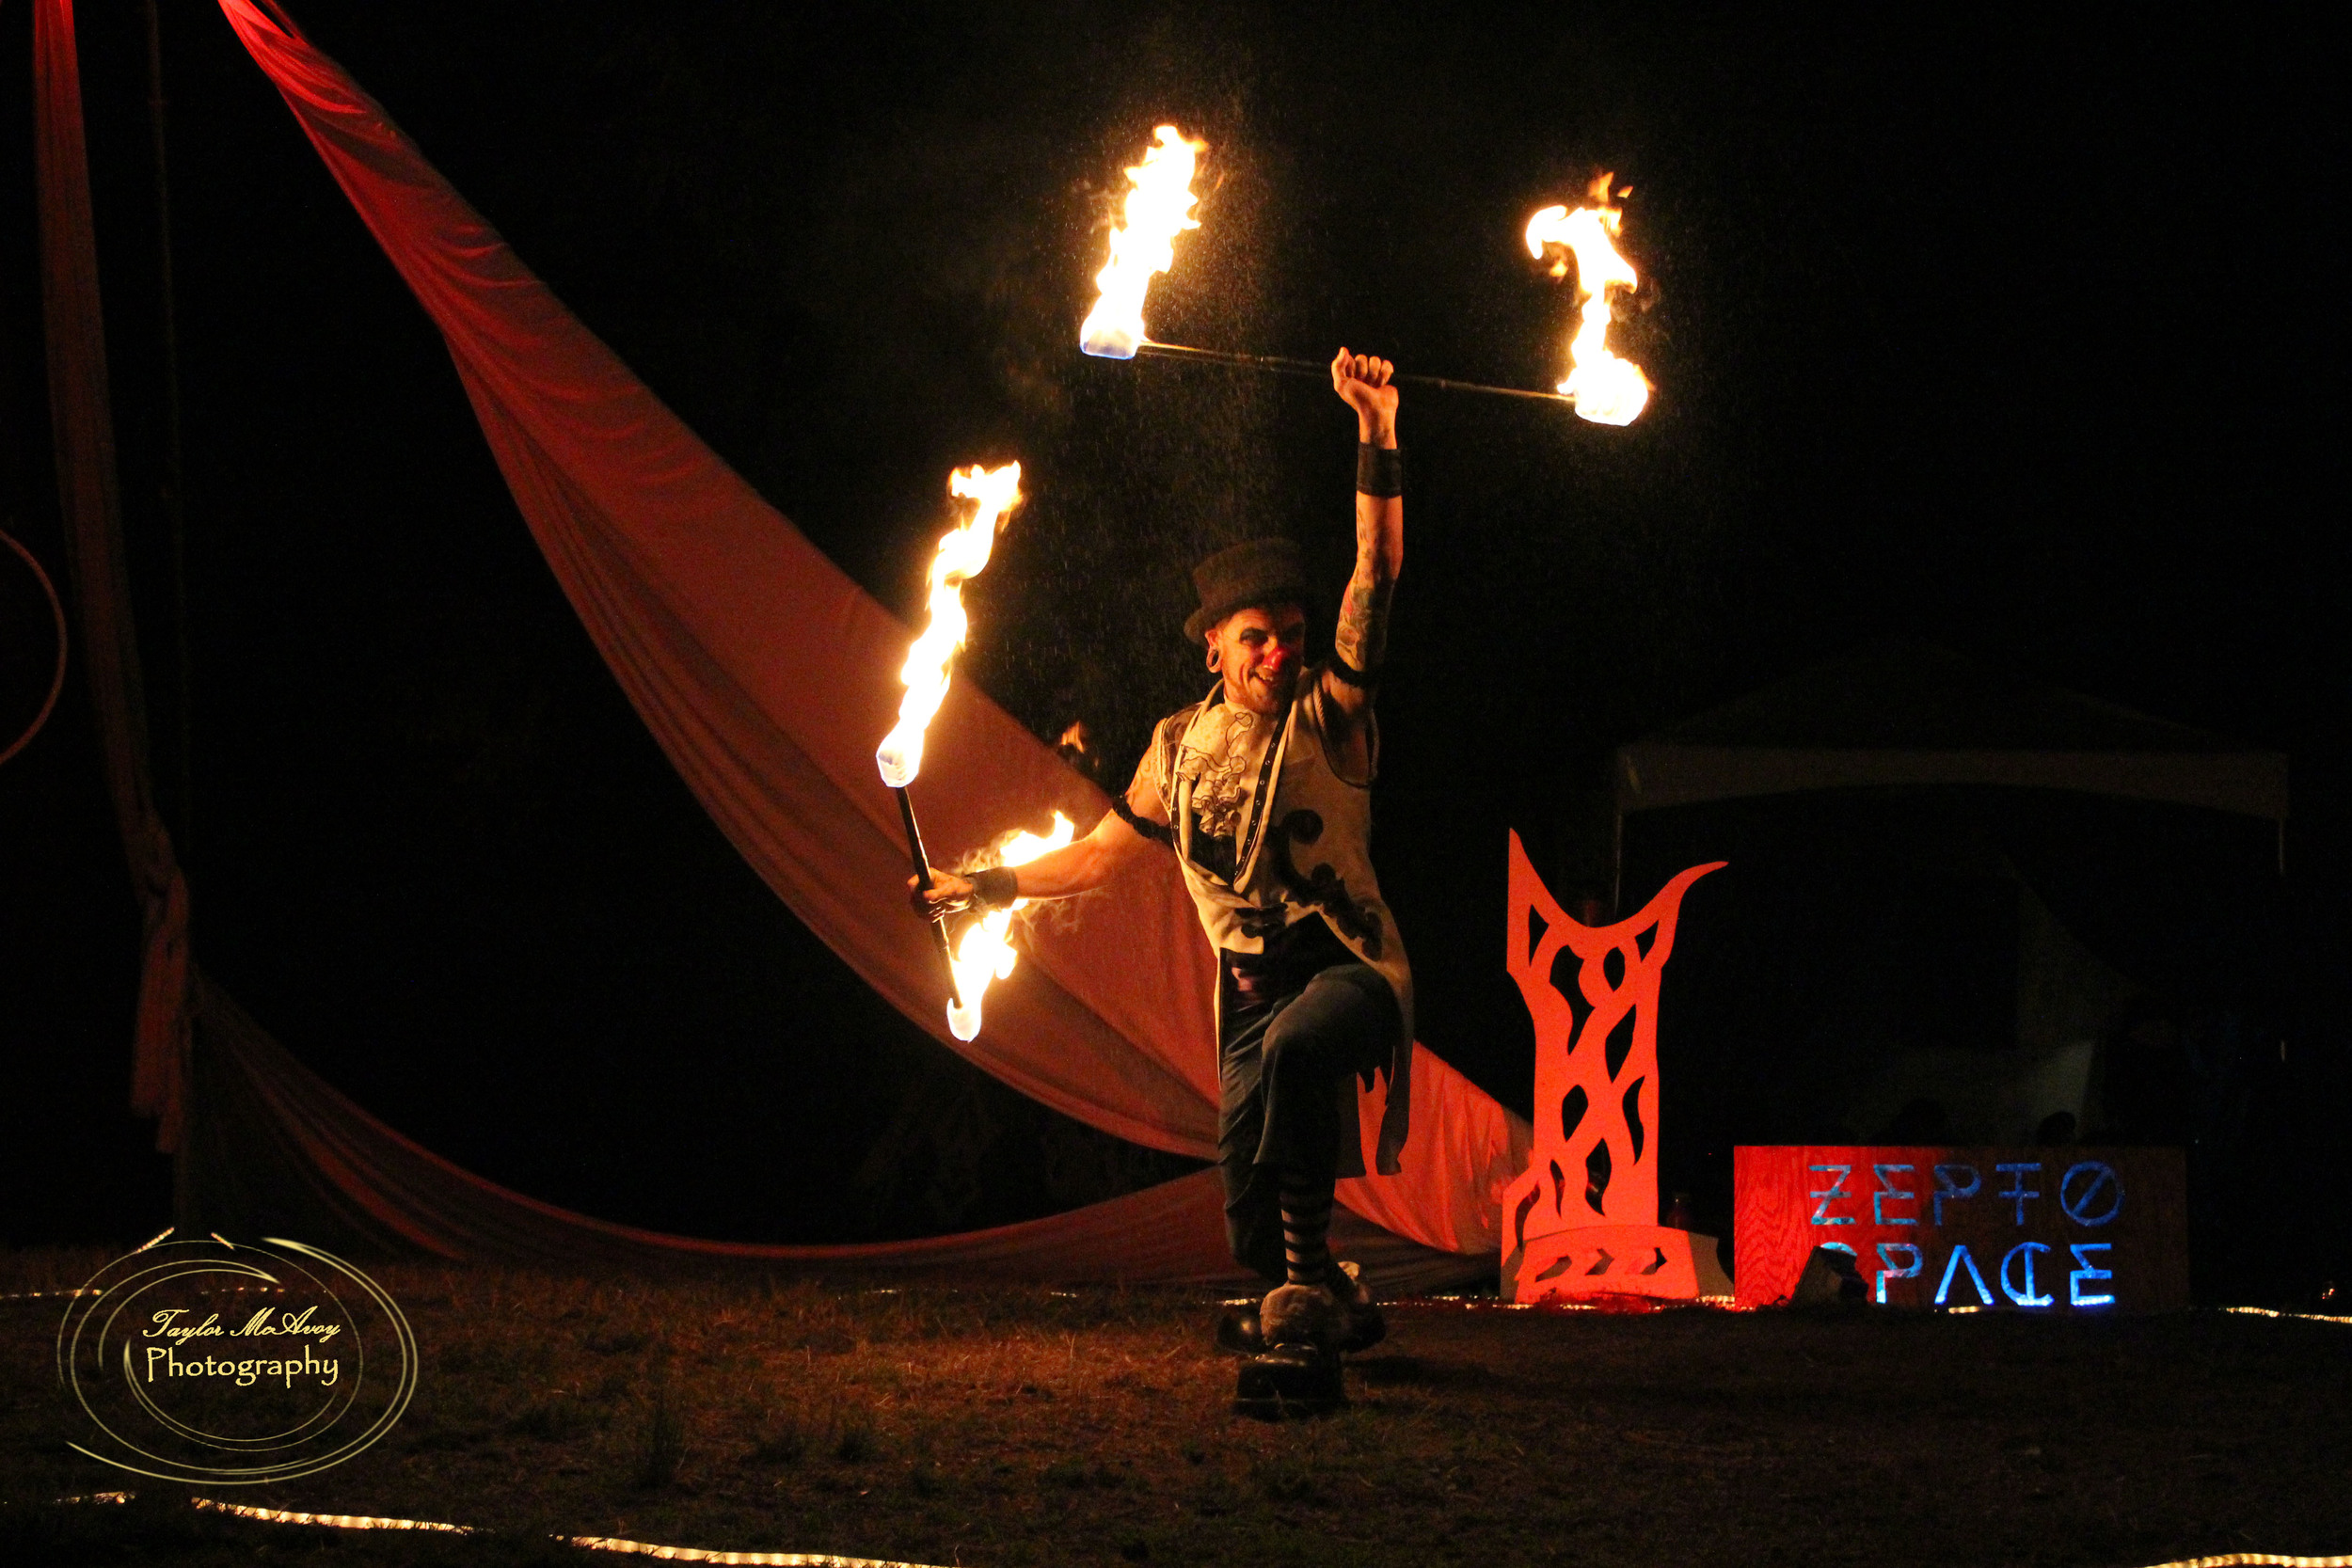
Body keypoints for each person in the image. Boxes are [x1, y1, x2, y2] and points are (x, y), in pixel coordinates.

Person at [914, 346, 1412, 1395]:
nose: (1282, 650)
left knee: (1297, 1048)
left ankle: (1301, 1314)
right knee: (1247, 1208)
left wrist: (1374, 429)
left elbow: (1377, 573)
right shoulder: (1175, 747)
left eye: (1291, 634)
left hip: (1350, 970)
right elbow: (1103, 853)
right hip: (1247, 994)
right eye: (1258, 637)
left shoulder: (1334, 713)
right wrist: (986, 884)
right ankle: (1324, 1290)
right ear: (1215, 653)